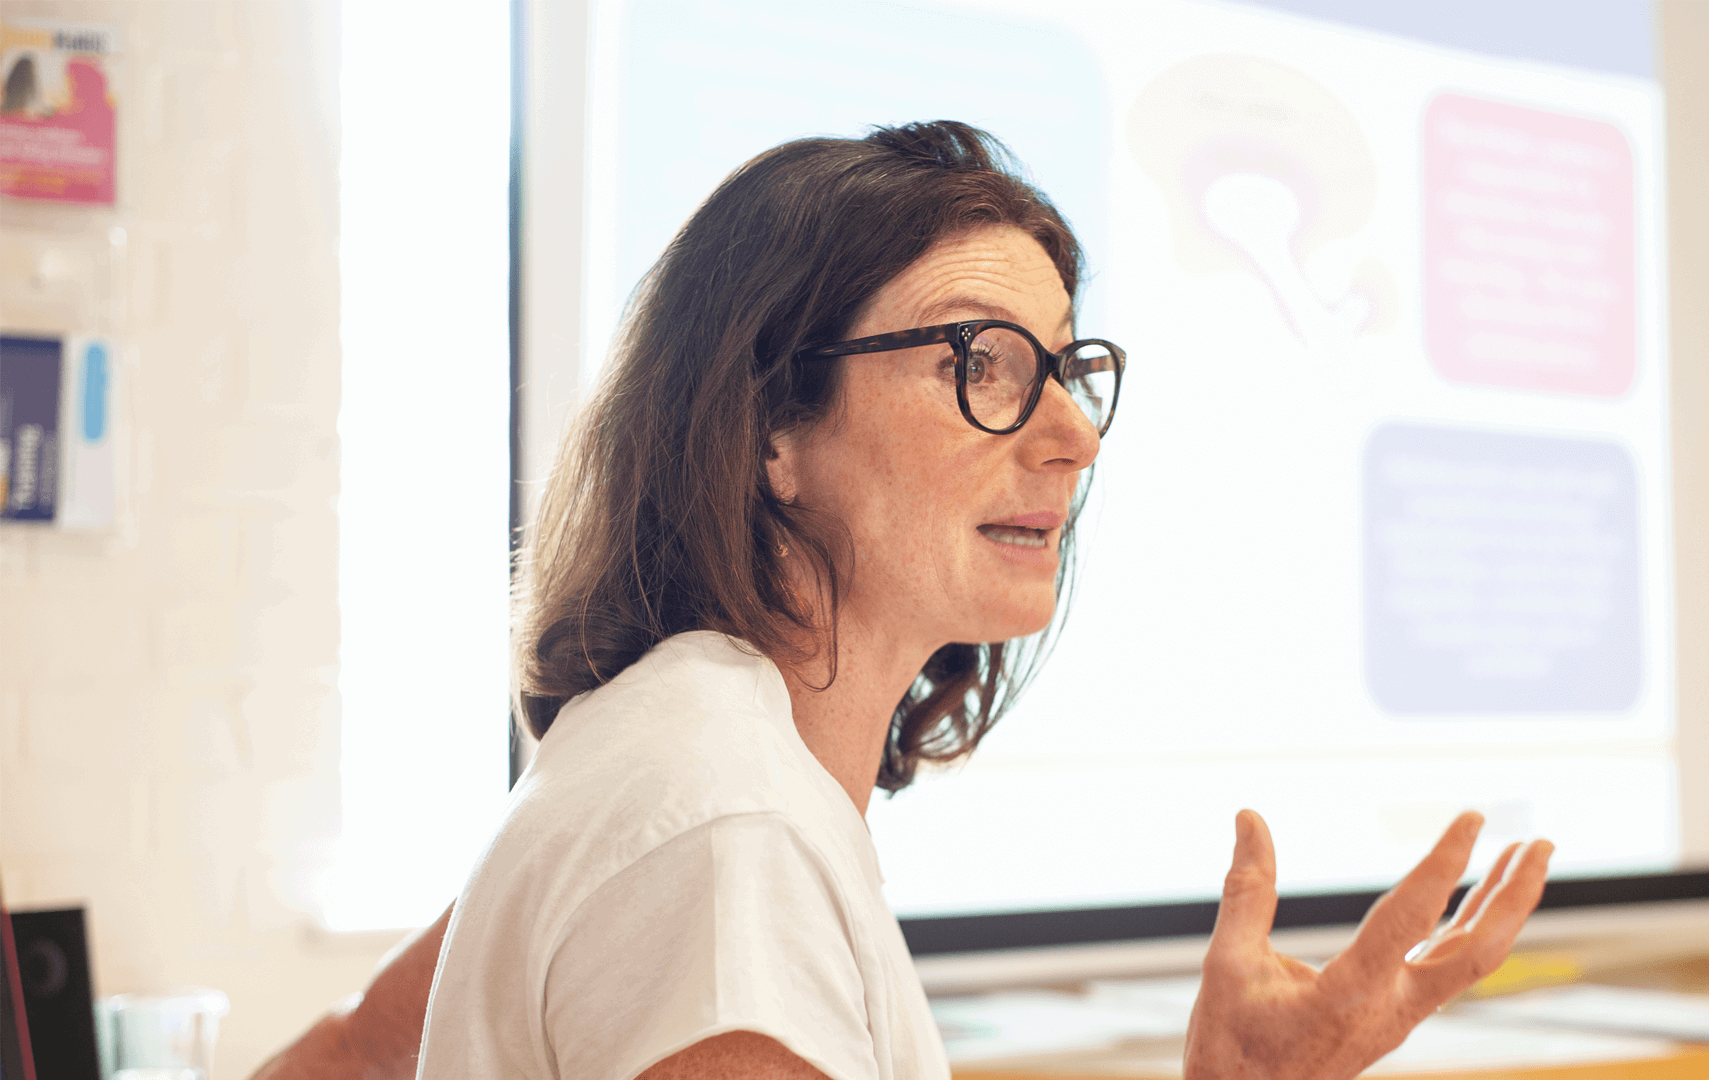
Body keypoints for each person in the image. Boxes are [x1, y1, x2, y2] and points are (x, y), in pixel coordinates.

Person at [252, 121, 1552, 1080]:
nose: (1071, 436)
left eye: (1065, 368)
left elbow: (332, 1065)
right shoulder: (725, 828)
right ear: (769, 421)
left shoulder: (683, 760)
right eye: (981, 362)